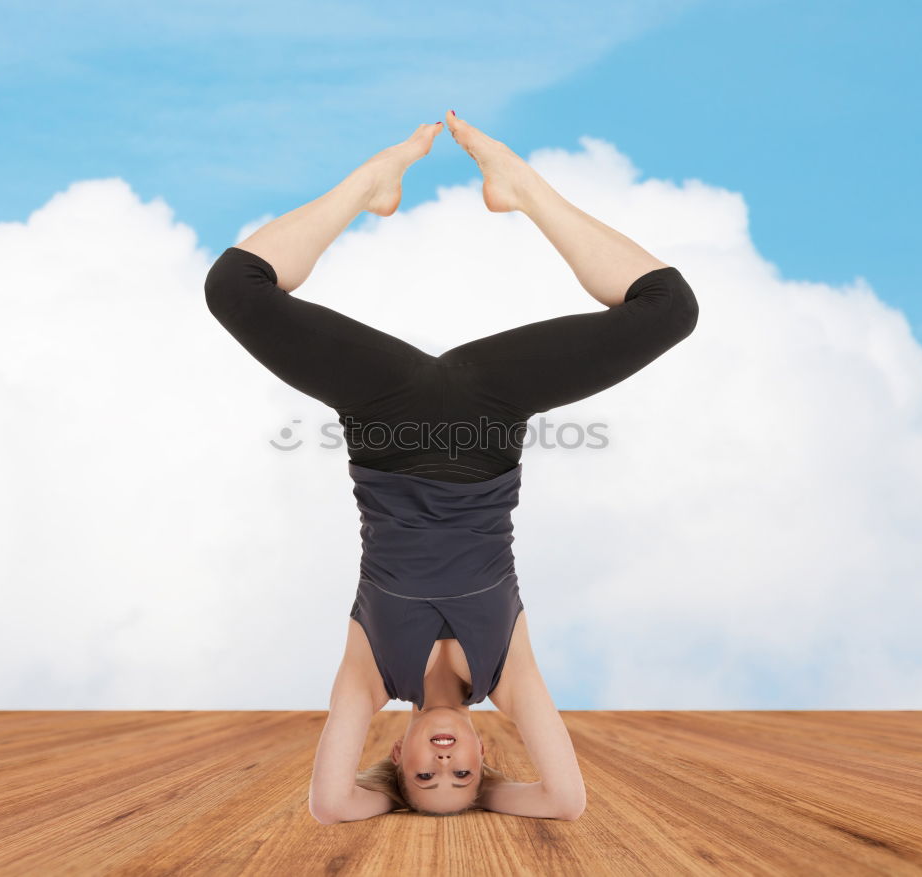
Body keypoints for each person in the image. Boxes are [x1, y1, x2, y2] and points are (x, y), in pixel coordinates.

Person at [204, 109, 699, 821]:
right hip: (488, 416)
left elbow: (330, 804)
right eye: (462, 773)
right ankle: (522, 189)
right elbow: (565, 800)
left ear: (397, 758)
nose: (444, 763)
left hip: (384, 419)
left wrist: (413, 799)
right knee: (670, 308)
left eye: (425, 778)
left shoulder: (368, 676)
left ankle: (370, 185)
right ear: (484, 755)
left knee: (233, 287)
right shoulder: (509, 674)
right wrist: (492, 794)